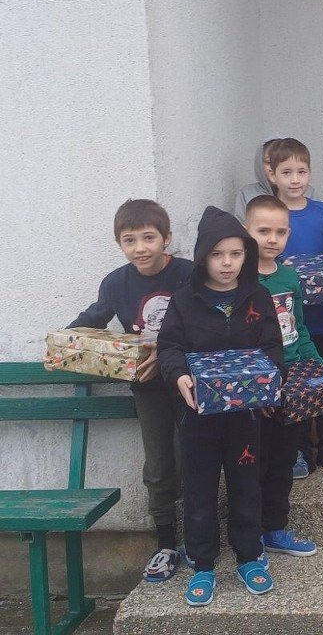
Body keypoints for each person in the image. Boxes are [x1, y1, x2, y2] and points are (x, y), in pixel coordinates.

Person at [52, 199, 192, 582]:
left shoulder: (188, 275)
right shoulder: (116, 283)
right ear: (119, 243)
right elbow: (93, 319)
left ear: (166, 238)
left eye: (149, 237)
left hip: (191, 382)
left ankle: (200, 537)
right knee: (159, 466)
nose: (140, 247)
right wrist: (62, 344)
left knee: (196, 459)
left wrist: (166, 351)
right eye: (130, 240)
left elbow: (206, 325)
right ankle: (166, 543)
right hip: (147, 387)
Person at [157, 206, 285, 606]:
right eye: (217, 254)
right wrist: (179, 375)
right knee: (199, 490)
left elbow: (272, 347)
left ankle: (249, 556)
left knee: (247, 487)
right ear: (202, 257)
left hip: (245, 417)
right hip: (197, 417)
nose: (227, 263)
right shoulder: (184, 301)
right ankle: (203, 564)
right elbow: (169, 347)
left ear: (247, 255)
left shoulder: (258, 297)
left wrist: (270, 381)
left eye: (235, 253)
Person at [267, 138, 323, 477]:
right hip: (285, 327)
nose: (295, 179)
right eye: (286, 172)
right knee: (295, 386)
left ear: (310, 172)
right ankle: (300, 449)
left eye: (301, 171)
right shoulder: (269, 216)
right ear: (272, 174)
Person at [245, 194, 321, 557]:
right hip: (257, 381)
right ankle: (251, 535)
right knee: (254, 462)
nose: (272, 239)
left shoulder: (290, 276)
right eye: (263, 231)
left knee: (284, 458)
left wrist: (316, 364)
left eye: (280, 232)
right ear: (246, 231)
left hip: (292, 378)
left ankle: (276, 528)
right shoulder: (241, 279)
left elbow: (299, 327)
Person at [234, 138, 318, 221]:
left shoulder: (309, 192)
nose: (273, 167)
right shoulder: (247, 194)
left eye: (301, 172)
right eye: (268, 162)